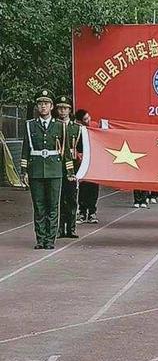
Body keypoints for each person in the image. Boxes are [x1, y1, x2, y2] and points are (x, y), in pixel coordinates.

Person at [20, 90, 75, 249]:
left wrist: (70, 172)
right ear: (37, 106)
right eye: (40, 103)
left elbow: (65, 153)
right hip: (36, 170)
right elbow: (25, 149)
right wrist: (24, 172)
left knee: (53, 206)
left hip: (55, 171)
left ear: (51, 107)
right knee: (39, 207)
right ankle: (40, 239)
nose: (43, 106)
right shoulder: (30, 125)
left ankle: (50, 240)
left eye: (46, 103)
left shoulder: (60, 126)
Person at [56, 96, 81, 238]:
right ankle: (60, 229)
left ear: (70, 110)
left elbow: (83, 148)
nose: (63, 111)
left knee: (71, 198)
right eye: (60, 108)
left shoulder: (77, 128)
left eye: (65, 108)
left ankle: (71, 228)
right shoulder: (54, 126)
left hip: (73, 167)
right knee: (59, 198)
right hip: (57, 165)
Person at [75, 109, 100, 223]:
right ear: (79, 121)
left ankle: (92, 212)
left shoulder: (95, 127)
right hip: (82, 163)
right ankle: (82, 212)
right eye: (85, 119)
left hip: (94, 162)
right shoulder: (77, 130)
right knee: (83, 188)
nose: (88, 120)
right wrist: (78, 155)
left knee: (94, 187)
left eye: (89, 117)